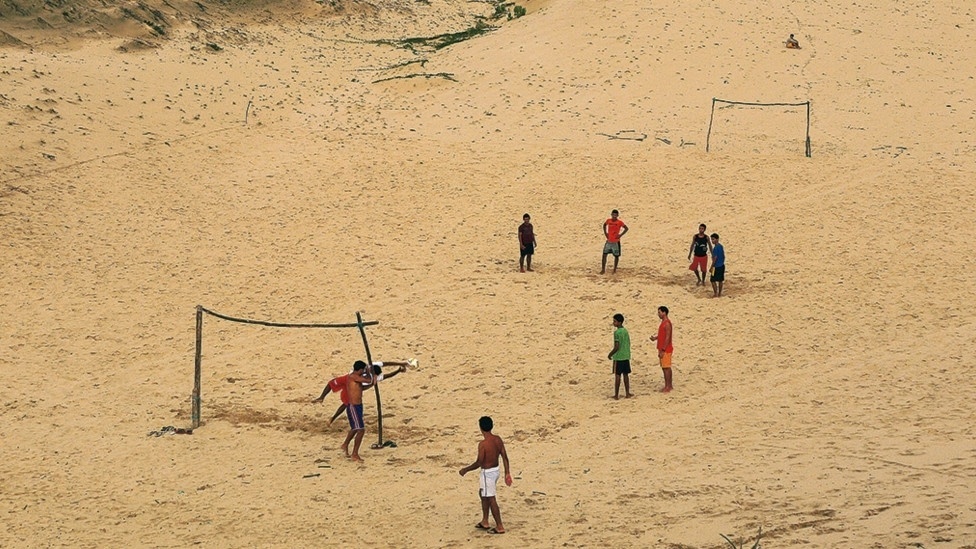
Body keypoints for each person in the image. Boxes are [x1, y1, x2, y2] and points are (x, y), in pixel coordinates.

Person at [313, 360, 411, 426]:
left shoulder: (373, 378)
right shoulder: (370, 365)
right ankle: (321, 397)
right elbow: (386, 363)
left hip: (353, 386)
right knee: (331, 383)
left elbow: (386, 376)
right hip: (349, 377)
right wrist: (401, 363)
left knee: (346, 403)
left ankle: (332, 418)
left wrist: (398, 370)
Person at [459, 416, 512, 534]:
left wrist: (465, 470)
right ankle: (485, 521)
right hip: (496, 471)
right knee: (483, 493)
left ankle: (499, 526)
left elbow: (479, 462)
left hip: (487, 474)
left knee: (491, 498)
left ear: (481, 428)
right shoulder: (498, 439)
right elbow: (504, 456)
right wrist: (507, 472)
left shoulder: (483, 444)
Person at [340, 360, 375, 462]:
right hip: (353, 407)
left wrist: (372, 383)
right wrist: (369, 372)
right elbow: (368, 380)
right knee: (361, 429)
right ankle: (355, 454)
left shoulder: (356, 379)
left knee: (355, 428)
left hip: (358, 406)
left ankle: (345, 444)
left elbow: (362, 387)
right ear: (360, 369)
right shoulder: (353, 377)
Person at [649, 306, 674, 392]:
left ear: (664, 313)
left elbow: (667, 337)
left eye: (659, 312)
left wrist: (663, 350)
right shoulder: (664, 323)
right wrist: (655, 338)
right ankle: (668, 385)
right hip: (663, 348)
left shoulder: (667, 323)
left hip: (665, 349)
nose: (658, 314)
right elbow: (663, 335)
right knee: (665, 367)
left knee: (666, 367)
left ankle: (668, 386)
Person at [607, 313, 632, 399]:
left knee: (617, 375)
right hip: (626, 356)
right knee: (625, 375)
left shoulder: (617, 333)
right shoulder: (625, 331)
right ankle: (627, 393)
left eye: (615, 321)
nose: (613, 323)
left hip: (618, 357)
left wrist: (610, 354)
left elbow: (617, 346)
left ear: (619, 322)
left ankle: (616, 395)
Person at [601, 209, 629, 274]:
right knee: (604, 255)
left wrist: (620, 235)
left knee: (616, 256)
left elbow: (626, 228)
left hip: (616, 242)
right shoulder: (608, 221)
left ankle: (614, 270)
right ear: (611, 214)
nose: (614, 216)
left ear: (617, 215)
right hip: (609, 241)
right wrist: (605, 233)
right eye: (613, 215)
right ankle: (603, 269)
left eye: (615, 215)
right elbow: (604, 225)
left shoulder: (619, 222)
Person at [710, 233, 725, 297]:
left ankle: (715, 293)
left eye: (713, 239)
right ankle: (719, 293)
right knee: (720, 280)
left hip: (715, 267)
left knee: (712, 280)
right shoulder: (721, 246)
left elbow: (714, 259)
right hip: (721, 266)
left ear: (717, 239)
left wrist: (711, 267)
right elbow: (723, 256)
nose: (712, 241)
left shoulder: (715, 248)